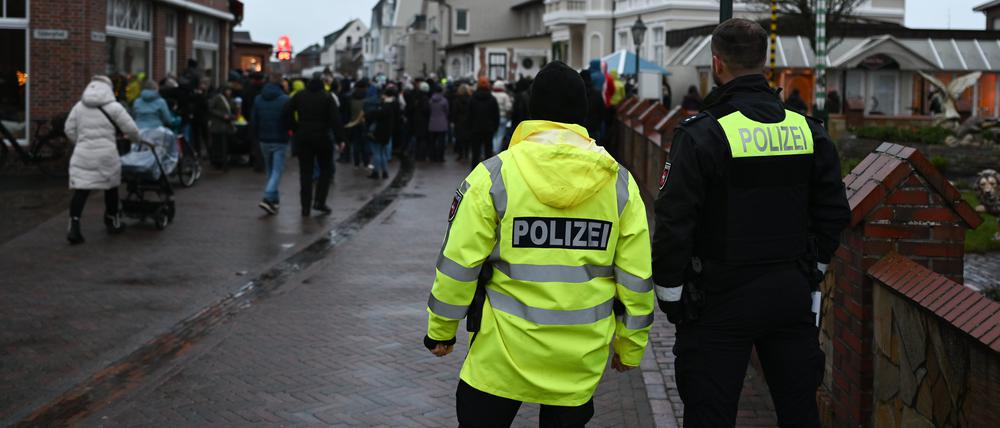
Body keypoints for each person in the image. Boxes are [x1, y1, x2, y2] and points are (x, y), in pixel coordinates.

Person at [423, 61, 654, 427]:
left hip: (501, 357)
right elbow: (636, 278)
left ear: (532, 110)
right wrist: (631, 345)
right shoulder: (619, 184)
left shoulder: (493, 176)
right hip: (579, 360)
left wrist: (441, 330)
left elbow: (458, 266)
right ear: (583, 112)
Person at [651, 19, 850, 427]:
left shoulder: (701, 134)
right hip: (790, 292)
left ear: (717, 63)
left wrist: (670, 296)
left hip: (719, 298)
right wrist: (813, 267)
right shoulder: (807, 130)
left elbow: (675, 220)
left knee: (710, 412)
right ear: (764, 64)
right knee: (798, 410)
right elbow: (833, 209)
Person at [64, 75, 140, 244]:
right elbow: (132, 129)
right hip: (106, 154)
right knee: (111, 187)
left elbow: (68, 129)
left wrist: (81, 142)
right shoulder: (115, 108)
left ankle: (74, 227)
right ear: (108, 89)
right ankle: (112, 221)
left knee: (81, 190)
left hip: (83, 154)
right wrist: (137, 141)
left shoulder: (78, 107)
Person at [289, 77, 341, 216]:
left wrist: (295, 128)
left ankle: (305, 207)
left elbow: (287, 112)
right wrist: (340, 139)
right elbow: (335, 119)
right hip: (323, 138)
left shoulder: (299, 96)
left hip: (303, 137)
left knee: (305, 173)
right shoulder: (327, 97)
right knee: (325, 170)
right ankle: (319, 201)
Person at [250, 78, 291, 214]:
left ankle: (274, 201)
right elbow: (288, 120)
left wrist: (255, 136)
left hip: (264, 139)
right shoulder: (285, 99)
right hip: (280, 139)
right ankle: (268, 197)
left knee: (270, 170)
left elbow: (254, 120)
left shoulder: (258, 99)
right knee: (277, 170)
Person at [365, 84, 400, 179]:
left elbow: (376, 115)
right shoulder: (394, 105)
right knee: (383, 153)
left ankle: (376, 172)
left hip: (378, 132)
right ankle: (385, 172)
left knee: (376, 153)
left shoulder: (385, 106)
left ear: (385, 95)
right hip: (387, 133)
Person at [465, 77, 499, 170]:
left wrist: (469, 128)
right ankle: (487, 172)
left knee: (475, 153)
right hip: (488, 129)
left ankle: (474, 172)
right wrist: (494, 128)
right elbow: (496, 116)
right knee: (488, 152)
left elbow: (469, 115)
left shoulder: (472, 99)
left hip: (475, 129)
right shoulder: (492, 99)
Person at [207, 83, 237, 169]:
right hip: (217, 125)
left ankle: (223, 162)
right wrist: (222, 115)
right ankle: (217, 162)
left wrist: (233, 116)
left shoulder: (230, 100)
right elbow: (211, 108)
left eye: (230, 90)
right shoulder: (218, 98)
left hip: (226, 126)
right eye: (227, 90)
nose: (229, 92)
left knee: (224, 145)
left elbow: (232, 111)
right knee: (217, 145)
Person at [581, 71, 606, 143]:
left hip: (580, 130)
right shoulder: (597, 94)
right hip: (594, 129)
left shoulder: (577, 93)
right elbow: (602, 112)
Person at [427, 84, 450, 162]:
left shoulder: (430, 100)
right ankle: (440, 157)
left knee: (432, 141)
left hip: (432, 122)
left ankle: (432, 157)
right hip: (442, 123)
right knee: (441, 142)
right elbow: (447, 111)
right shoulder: (444, 100)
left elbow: (429, 110)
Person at [490, 80, 512, 154]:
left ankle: (492, 149)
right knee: (500, 135)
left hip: (492, 118)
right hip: (502, 117)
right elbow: (508, 108)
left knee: (493, 135)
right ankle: (496, 151)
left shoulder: (491, 94)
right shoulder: (505, 96)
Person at [451, 84, 472, 161]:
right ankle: (466, 154)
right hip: (468, 121)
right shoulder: (470, 99)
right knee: (467, 139)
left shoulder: (456, 100)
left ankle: (460, 154)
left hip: (459, 122)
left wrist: (453, 121)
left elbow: (454, 112)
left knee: (459, 139)